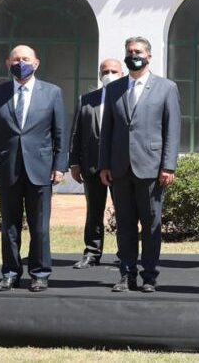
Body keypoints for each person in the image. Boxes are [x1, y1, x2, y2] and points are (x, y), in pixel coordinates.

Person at [0, 45, 67, 292]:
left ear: (36, 63)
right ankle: (10, 273)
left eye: (25, 59)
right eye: (16, 59)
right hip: (8, 168)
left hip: (40, 168)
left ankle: (39, 273)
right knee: (9, 225)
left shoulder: (52, 93)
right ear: (7, 63)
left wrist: (60, 165)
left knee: (39, 226)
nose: (21, 63)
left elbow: (60, 132)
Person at [99, 36, 181, 293]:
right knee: (124, 224)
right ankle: (126, 273)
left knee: (151, 224)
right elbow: (108, 130)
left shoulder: (166, 88)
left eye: (138, 51)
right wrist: (104, 164)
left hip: (152, 168)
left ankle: (149, 275)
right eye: (129, 51)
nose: (133, 55)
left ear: (149, 56)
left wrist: (168, 166)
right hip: (120, 168)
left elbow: (172, 129)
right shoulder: (114, 89)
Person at [69, 58, 123, 269]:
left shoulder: (127, 98)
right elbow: (76, 133)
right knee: (94, 212)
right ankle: (92, 253)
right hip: (92, 166)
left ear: (122, 74)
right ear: (100, 74)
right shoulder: (86, 100)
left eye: (114, 71)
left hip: (120, 166)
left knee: (124, 212)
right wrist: (73, 163)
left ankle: (124, 253)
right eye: (106, 71)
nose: (109, 74)